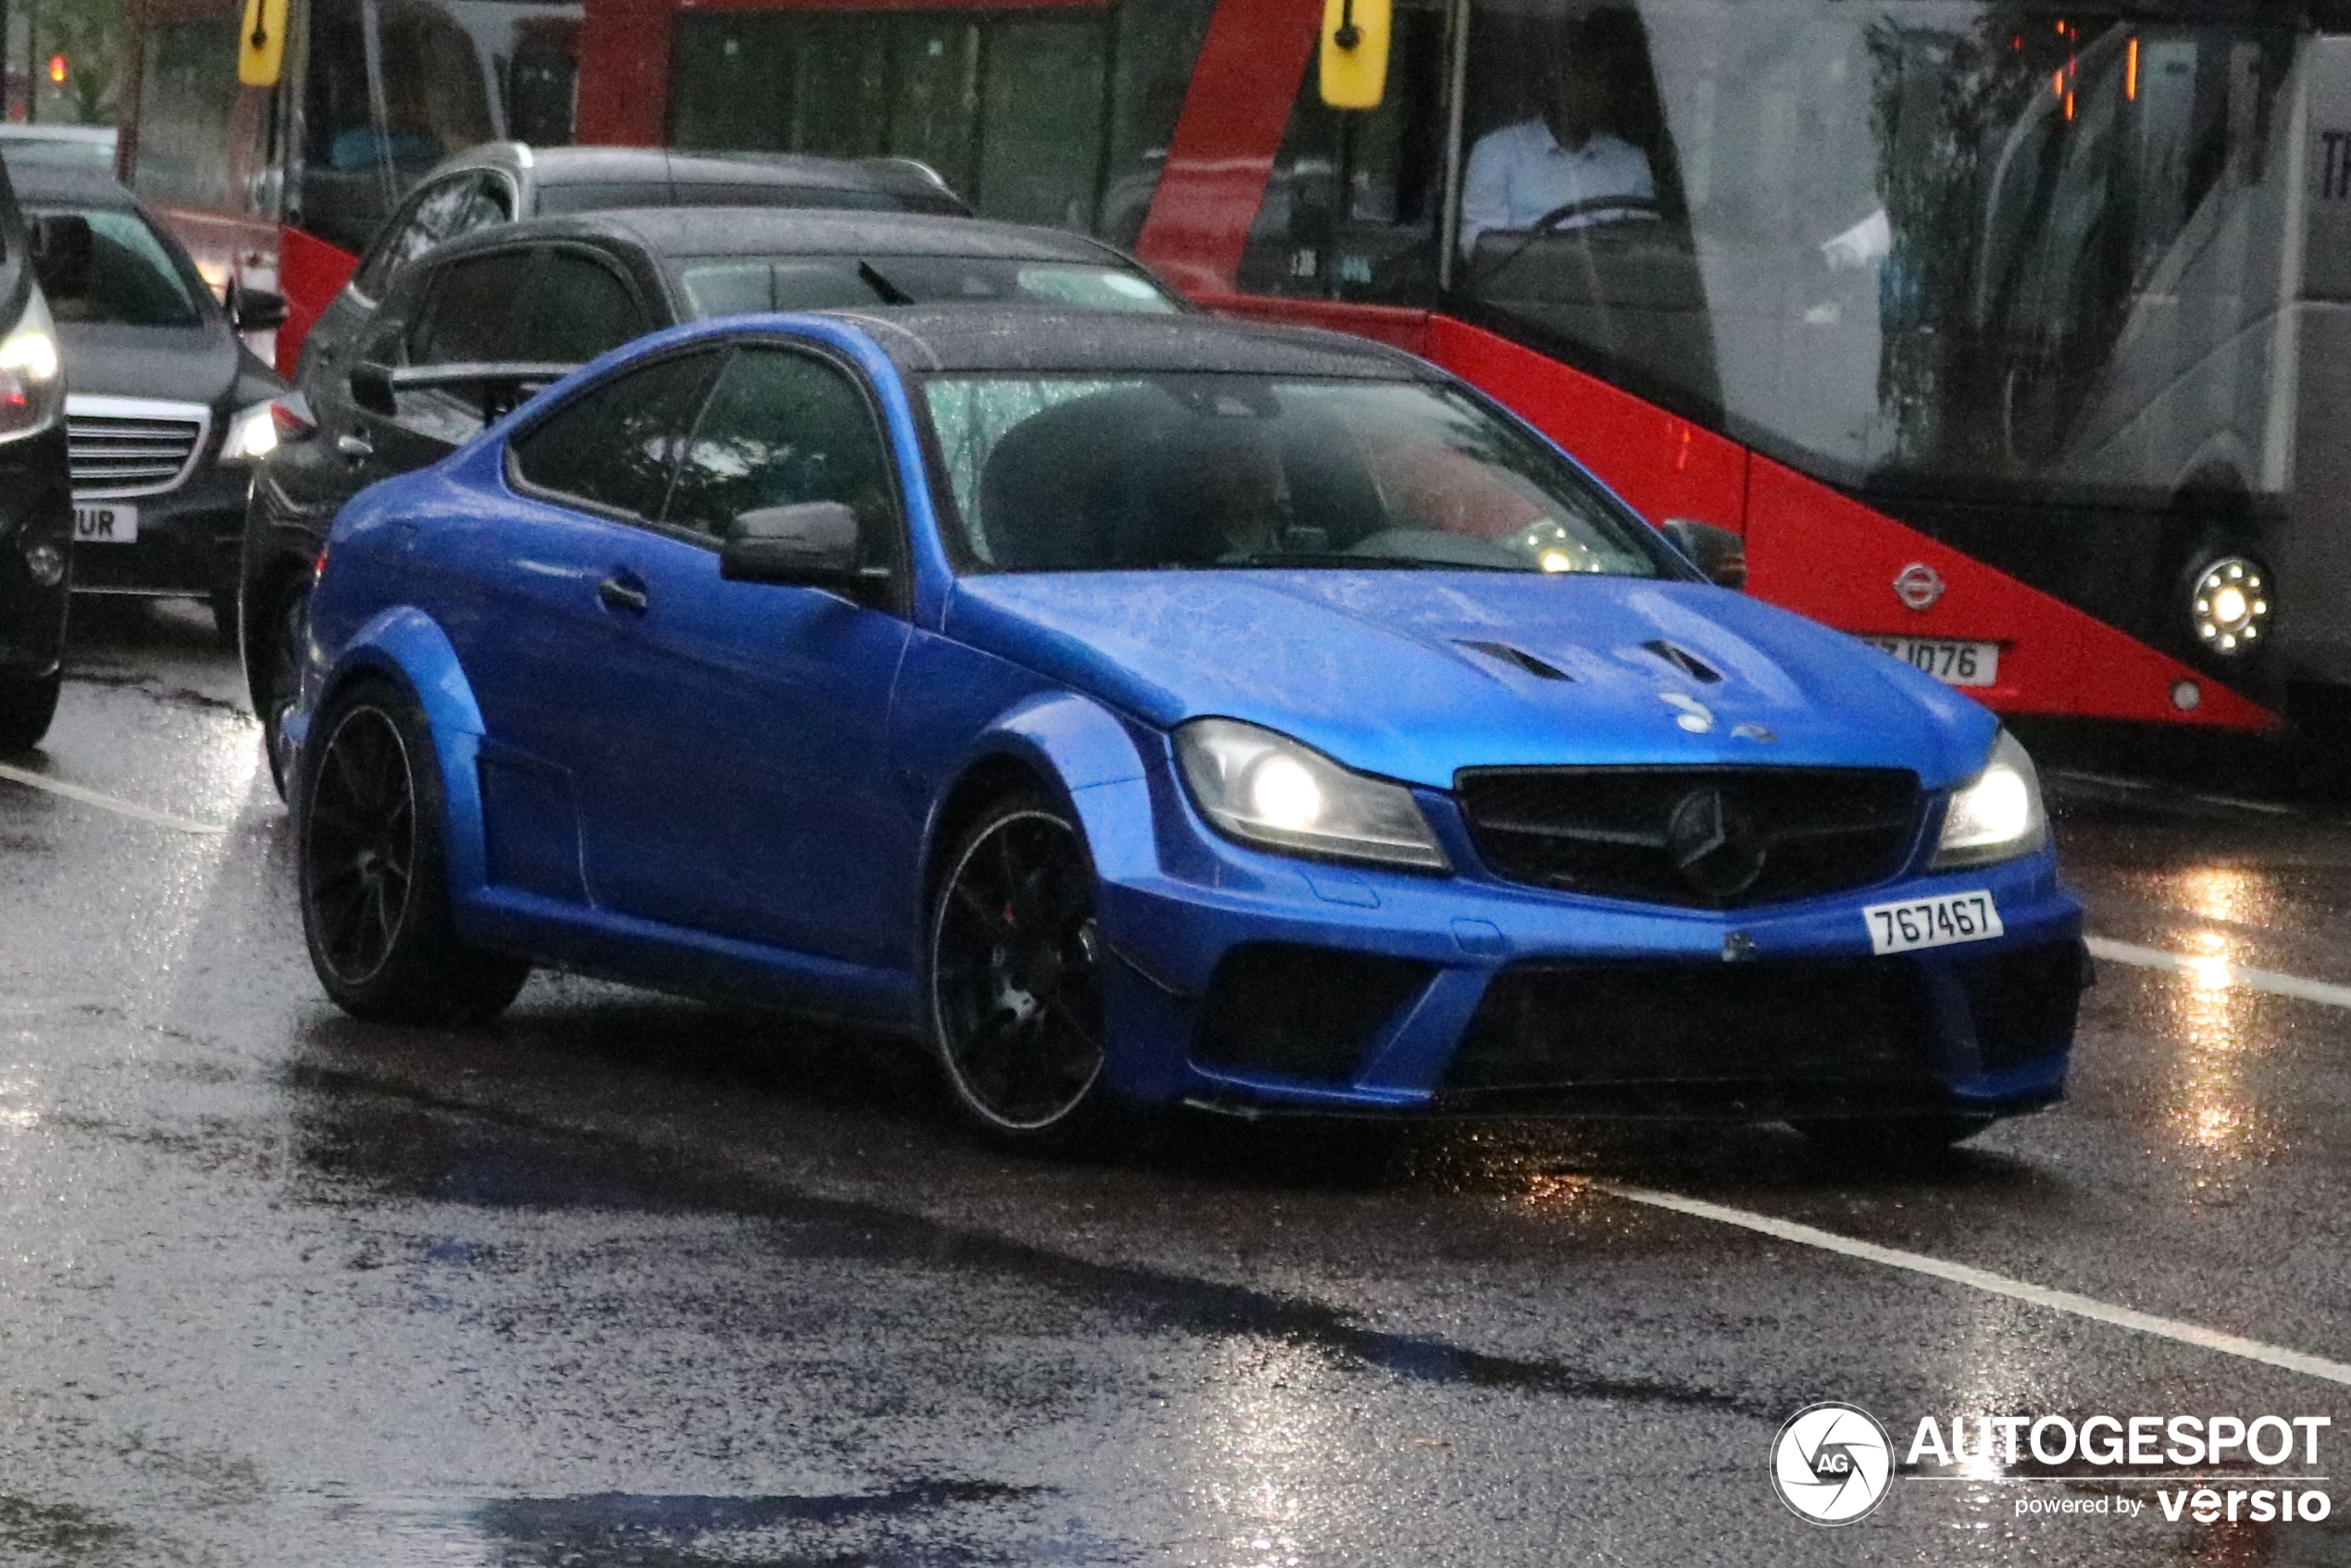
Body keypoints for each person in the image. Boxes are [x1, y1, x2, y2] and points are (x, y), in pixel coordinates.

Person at [1460, 29, 1655, 256]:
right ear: (1546, 87)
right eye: (1577, 79)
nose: (1589, 91)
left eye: (1598, 80)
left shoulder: (1631, 161)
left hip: (1610, 286)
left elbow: (1646, 247)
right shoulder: (1495, 152)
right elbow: (1480, 246)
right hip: (1522, 287)